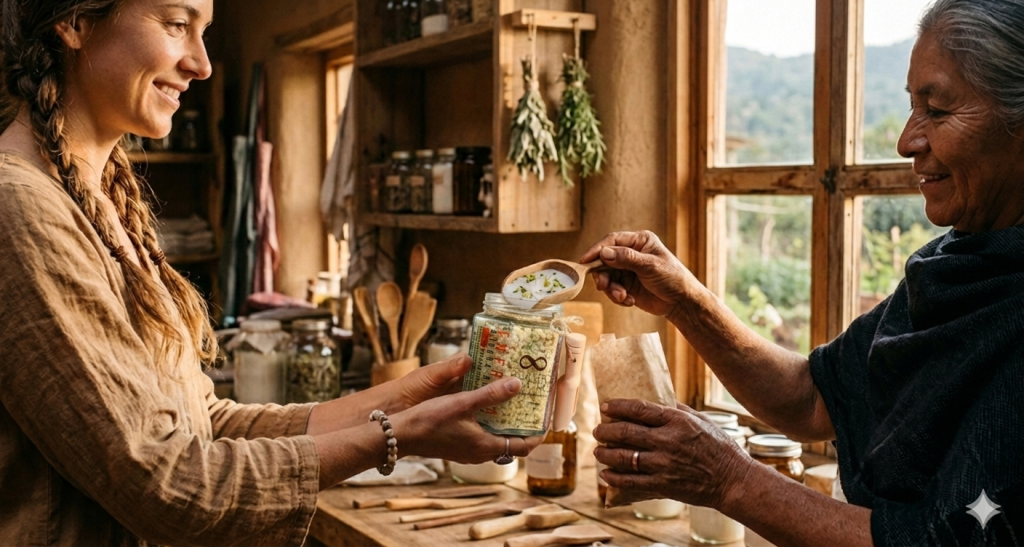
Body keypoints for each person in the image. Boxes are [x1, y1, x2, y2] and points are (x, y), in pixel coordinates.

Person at [0, 1, 538, 544]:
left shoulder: (98, 201)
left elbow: (203, 424)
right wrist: (397, 437)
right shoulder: (19, 209)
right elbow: (166, 482)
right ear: (74, 22)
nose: (202, 64)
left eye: (204, 32)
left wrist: (401, 400)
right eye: (176, 25)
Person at [583, 0, 1023, 545]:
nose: (907, 140)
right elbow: (814, 399)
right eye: (913, 108)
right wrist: (684, 301)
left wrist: (728, 478)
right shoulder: (954, 264)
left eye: (936, 110)